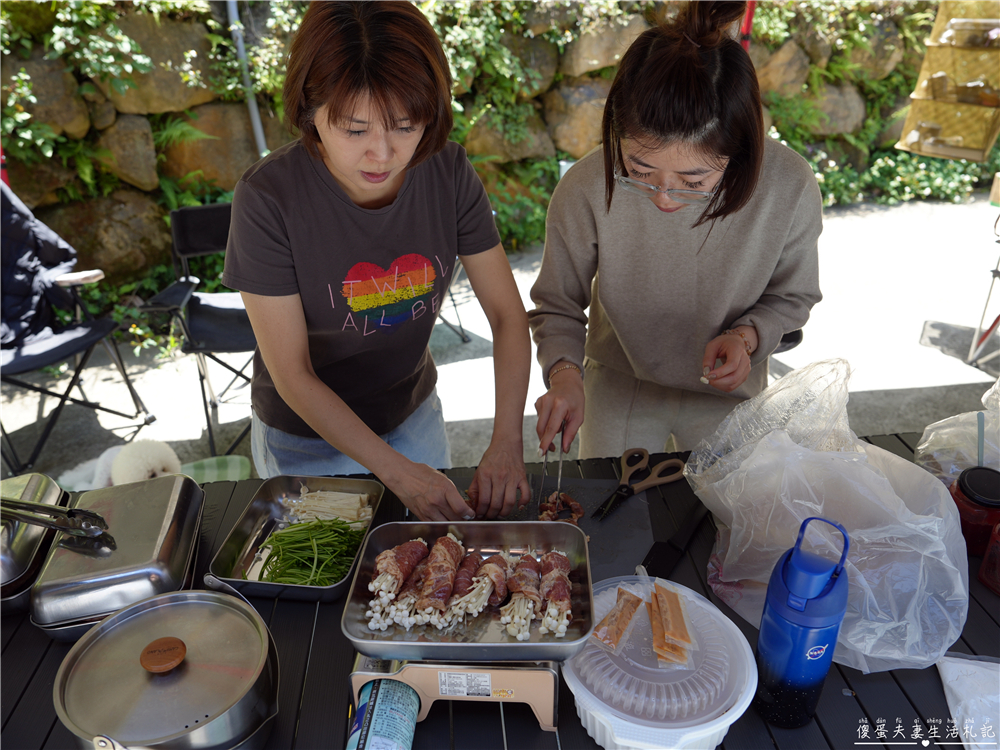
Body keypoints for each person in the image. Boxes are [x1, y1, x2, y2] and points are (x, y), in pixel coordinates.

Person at [223, 1, 531, 522]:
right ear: (310, 111)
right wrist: (397, 472)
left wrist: (506, 441)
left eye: (406, 126)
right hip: (306, 436)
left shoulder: (447, 171)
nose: (382, 155)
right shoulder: (268, 198)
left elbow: (506, 316)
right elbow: (293, 374)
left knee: (433, 572)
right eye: (355, 129)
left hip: (412, 415)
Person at [530, 0, 823, 459]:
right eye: (640, 170)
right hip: (620, 377)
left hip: (729, 384)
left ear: (740, 153)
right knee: (611, 514)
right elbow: (557, 303)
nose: (664, 197)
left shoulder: (787, 185)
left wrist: (747, 337)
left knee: (727, 522)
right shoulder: (587, 185)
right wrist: (564, 372)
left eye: (694, 183)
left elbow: (792, 297)